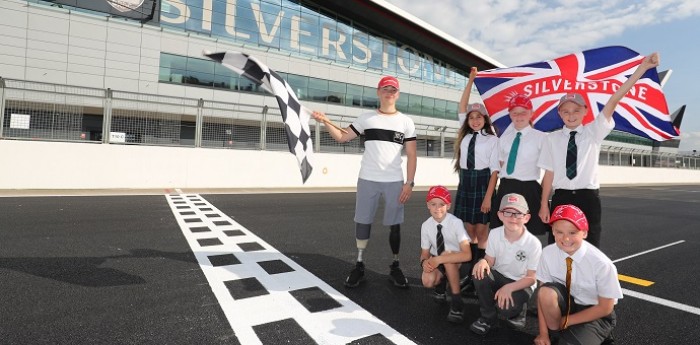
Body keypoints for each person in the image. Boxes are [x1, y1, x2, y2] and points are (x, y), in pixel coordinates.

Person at [538, 53, 661, 248]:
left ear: (585, 111)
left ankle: (587, 279)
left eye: (576, 110)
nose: (571, 115)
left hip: (588, 196)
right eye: (566, 111)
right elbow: (549, 174)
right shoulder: (551, 139)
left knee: (590, 244)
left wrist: (643, 68)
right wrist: (544, 203)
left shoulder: (593, 132)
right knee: (557, 244)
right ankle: (559, 279)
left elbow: (614, 100)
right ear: (560, 113)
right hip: (561, 196)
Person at [311, 76, 417, 289]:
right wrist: (324, 122)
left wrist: (410, 183)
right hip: (368, 178)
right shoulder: (367, 118)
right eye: (385, 89)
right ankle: (359, 265)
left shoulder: (406, 122)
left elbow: (412, 155)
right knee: (363, 221)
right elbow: (342, 137)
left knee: (395, 225)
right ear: (378, 92)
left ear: (398, 94)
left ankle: (395, 265)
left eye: (393, 90)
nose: (389, 93)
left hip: (395, 181)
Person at [534, 204, 622, 345]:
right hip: (569, 304)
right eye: (559, 232)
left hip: (596, 313)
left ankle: (598, 334)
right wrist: (543, 334)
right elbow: (542, 296)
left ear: (584, 233)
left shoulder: (602, 264)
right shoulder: (548, 253)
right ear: (553, 231)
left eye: (572, 232)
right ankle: (556, 334)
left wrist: (567, 320)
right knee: (546, 292)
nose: (566, 238)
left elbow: (606, 307)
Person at [469, 193, 542, 335]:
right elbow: (490, 260)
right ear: (500, 215)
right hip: (500, 276)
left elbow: (532, 278)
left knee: (506, 309)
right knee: (478, 272)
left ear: (526, 217)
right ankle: (488, 318)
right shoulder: (495, 233)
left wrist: (509, 288)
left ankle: (519, 310)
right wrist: (483, 261)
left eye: (518, 213)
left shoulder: (533, 244)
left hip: (521, 283)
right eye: (507, 212)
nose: (512, 218)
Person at [454, 67, 500, 273]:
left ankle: (481, 272)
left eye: (479, 117)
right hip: (466, 183)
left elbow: (494, 172)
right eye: (471, 117)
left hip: (483, 184)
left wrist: (488, 198)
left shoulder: (492, 140)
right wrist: (471, 80)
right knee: (468, 230)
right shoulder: (464, 135)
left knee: (482, 232)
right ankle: (470, 271)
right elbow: (462, 105)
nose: (474, 120)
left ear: (485, 119)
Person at [490, 94, 548, 237]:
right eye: (515, 113)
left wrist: (544, 202)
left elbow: (549, 171)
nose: (519, 116)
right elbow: (501, 165)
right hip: (506, 187)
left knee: (530, 234)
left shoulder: (542, 138)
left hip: (529, 188)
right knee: (503, 232)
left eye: (523, 112)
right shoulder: (504, 138)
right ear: (510, 114)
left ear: (531, 113)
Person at [420, 185, 473, 323]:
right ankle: (441, 285)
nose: (437, 208)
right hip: (439, 262)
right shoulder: (426, 225)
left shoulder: (456, 223)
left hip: (460, 263)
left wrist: (440, 259)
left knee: (447, 256)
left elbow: (467, 255)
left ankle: (457, 301)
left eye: (442, 204)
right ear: (428, 205)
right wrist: (424, 263)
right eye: (433, 204)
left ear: (448, 206)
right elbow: (424, 253)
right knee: (427, 280)